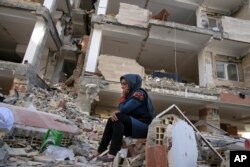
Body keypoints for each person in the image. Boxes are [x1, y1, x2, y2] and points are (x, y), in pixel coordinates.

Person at [95, 74, 156, 162]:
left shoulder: (139, 94)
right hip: (135, 126)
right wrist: (118, 112)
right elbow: (124, 111)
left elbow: (124, 109)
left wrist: (122, 96)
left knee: (118, 117)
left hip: (144, 127)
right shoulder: (131, 95)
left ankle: (112, 154)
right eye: (121, 84)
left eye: (124, 84)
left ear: (131, 83)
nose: (122, 86)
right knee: (112, 119)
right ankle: (100, 150)